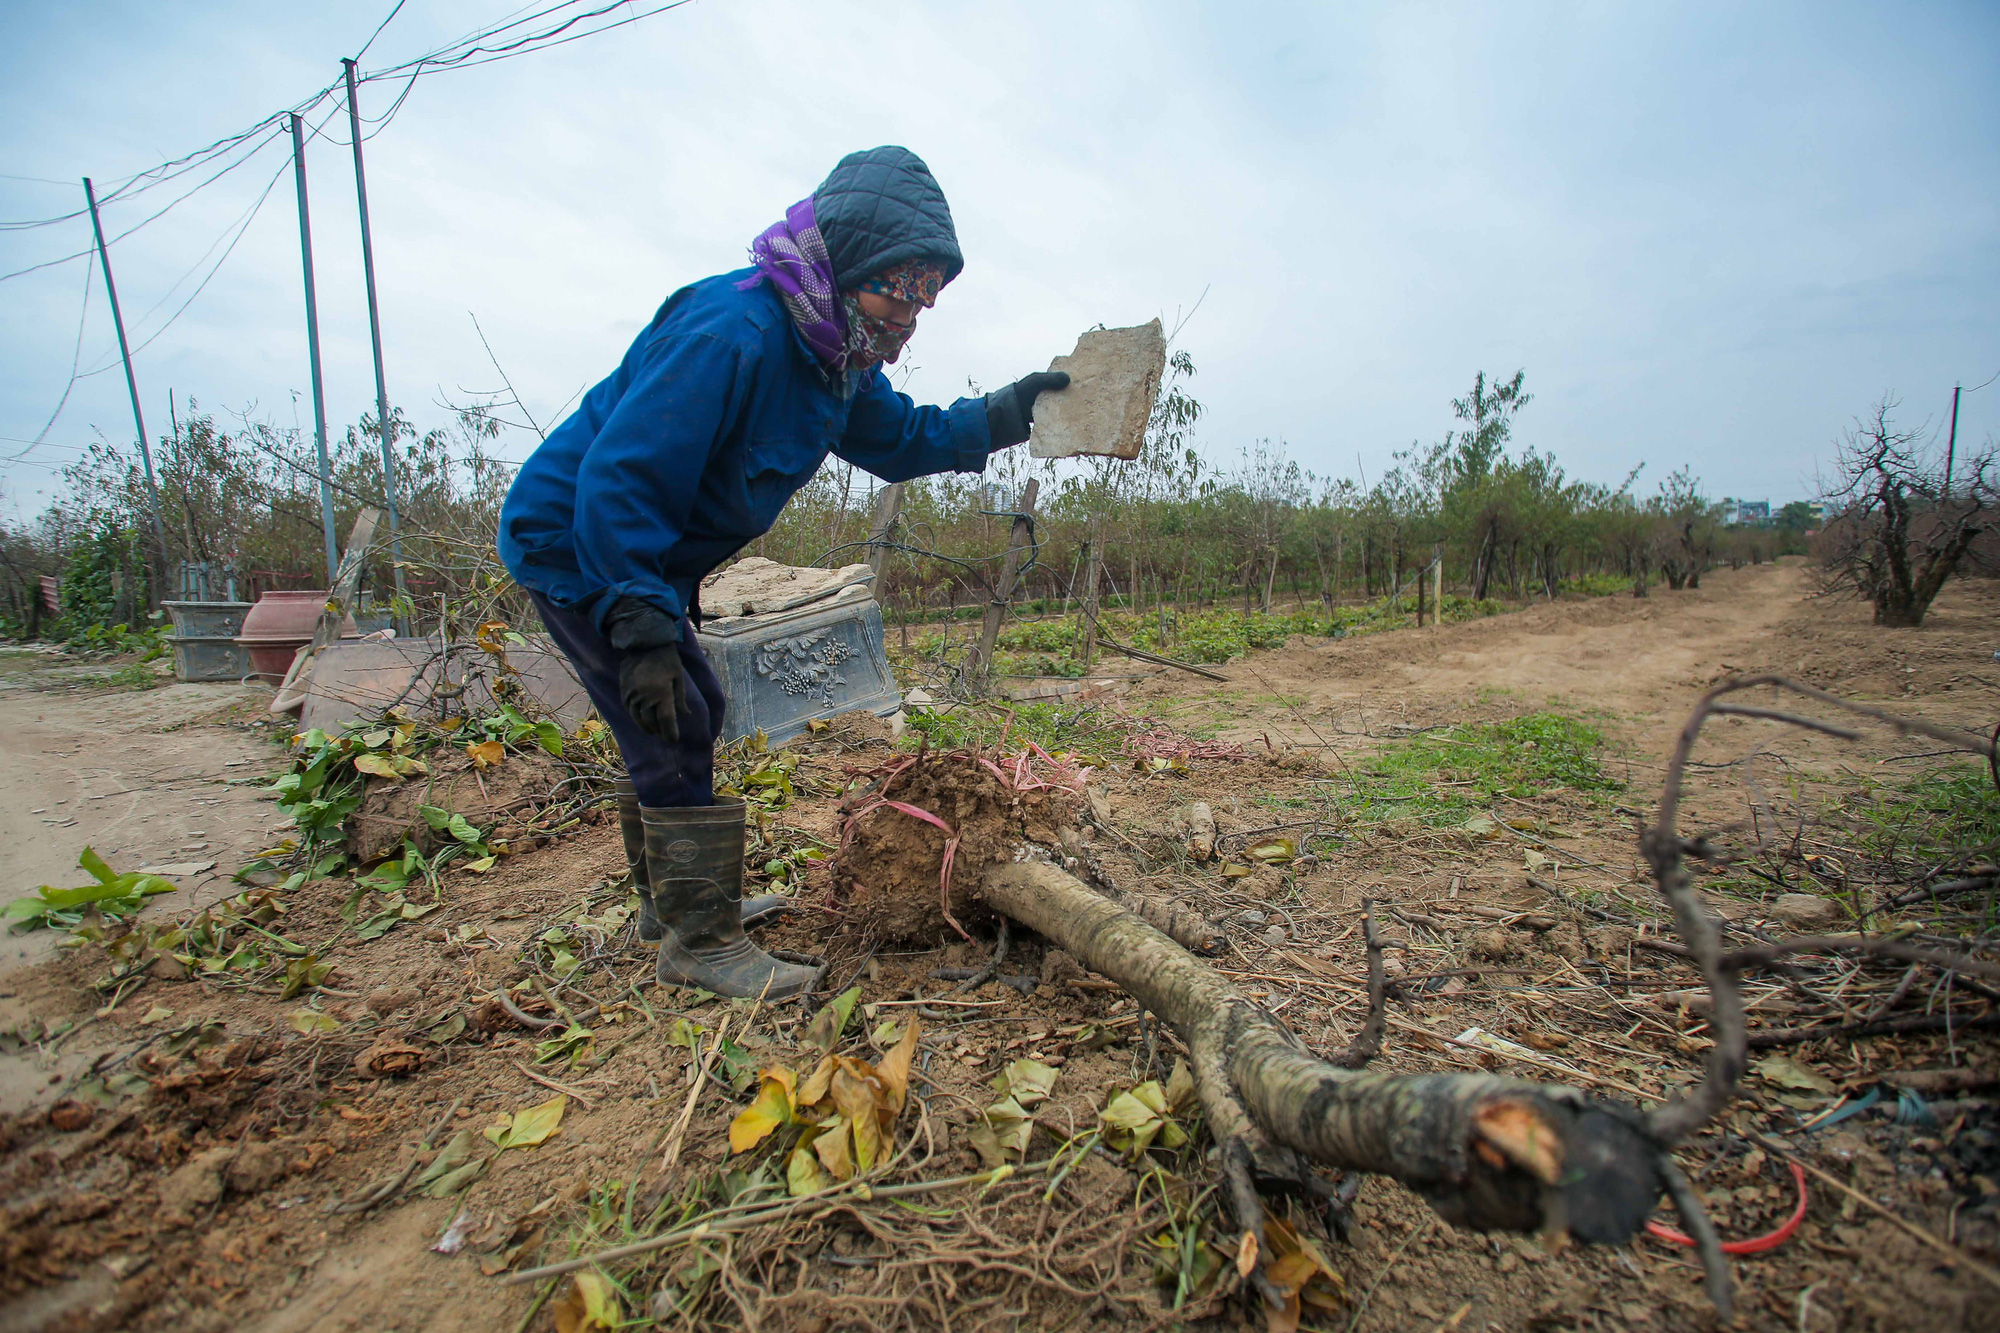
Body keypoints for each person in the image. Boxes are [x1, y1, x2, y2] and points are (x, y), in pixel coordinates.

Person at [499, 146, 1068, 1000]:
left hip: (636, 549)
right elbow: (622, 478)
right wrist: (641, 621)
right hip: (580, 541)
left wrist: (1003, 413)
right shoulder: (733, 333)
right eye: (899, 288)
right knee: (677, 709)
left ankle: (673, 906)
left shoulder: (831, 356)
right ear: (847, 266)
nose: (911, 317)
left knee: (680, 711)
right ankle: (698, 941)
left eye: (928, 296)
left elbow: (900, 438)